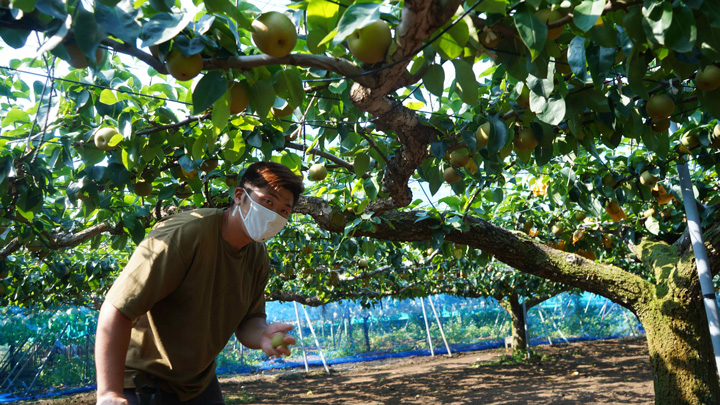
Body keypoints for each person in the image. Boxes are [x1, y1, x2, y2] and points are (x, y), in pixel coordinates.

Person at [95, 161, 305, 405]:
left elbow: (250, 321)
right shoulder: (183, 235)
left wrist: (262, 336)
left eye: (284, 211)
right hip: (144, 378)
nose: (273, 215)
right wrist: (109, 393)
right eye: (267, 201)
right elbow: (117, 308)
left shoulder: (258, 257)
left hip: (197, 383)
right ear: (239, 196)